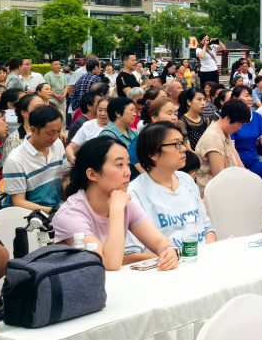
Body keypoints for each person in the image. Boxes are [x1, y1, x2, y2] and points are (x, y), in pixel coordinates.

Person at [54, 138, 179, 271]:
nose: (128, 172)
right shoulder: (70, 214)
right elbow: (110, 263)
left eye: (128, 164)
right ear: (92, 174)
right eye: (119, 165)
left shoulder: (124, 202)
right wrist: (116, 210)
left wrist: (169, 251)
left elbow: (159, 242)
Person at [125, 121, 217, 259]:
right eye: (176, 144)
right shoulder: (134, 192)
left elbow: (207, 228)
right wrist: (175, 258)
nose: (183, 149)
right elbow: (130, 253)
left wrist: (208, 254)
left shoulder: (186, 180)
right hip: (165, 265)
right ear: (152, 154)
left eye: (182, 142)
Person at [195, 98, 249, 196]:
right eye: (238, 125)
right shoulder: (213, 138)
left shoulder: (224, 132)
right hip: (214, 193)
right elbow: (219, 177)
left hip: (227, 186)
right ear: (228, 119)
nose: (239, 128)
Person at [228, 86, 262, 178]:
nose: (250, 99)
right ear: (235, 98)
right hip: (236, 165)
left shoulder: (257, 117)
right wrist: (243, 169)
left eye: (250, 96)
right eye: (246, 96)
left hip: (254, 162)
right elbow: (232, 148)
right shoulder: (232, 119)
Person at [66, 97, 110, 165]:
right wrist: (72, 158)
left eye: (106, 110)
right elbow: (71, 147)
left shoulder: (119, 126)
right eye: (100, 110)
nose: (102, 114)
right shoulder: (88, 126)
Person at [1, 93, 45, 158]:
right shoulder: (14, 139)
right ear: (24, 113)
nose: (43, 111)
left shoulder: (50, 134)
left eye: (44, 107)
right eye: (37, 108)